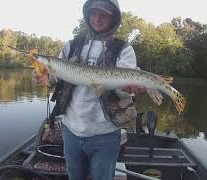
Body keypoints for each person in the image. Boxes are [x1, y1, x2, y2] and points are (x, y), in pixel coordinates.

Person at [33, 0, 145, 179]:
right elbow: (55, 78)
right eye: (94, 13)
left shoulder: (123, 49)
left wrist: (129, 89)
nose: (97, 18)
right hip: (70, 131)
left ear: (113, 17)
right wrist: (43, 77)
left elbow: (124, 91)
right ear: (87, 15)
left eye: (103, 14)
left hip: (105, 134)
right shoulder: (72, 45)